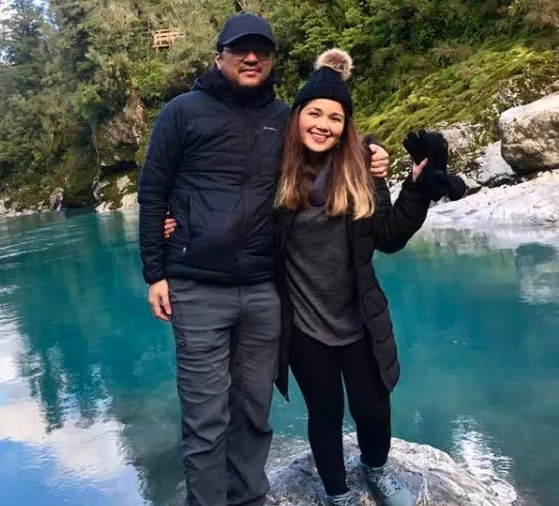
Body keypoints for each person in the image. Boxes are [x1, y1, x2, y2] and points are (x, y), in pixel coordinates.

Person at [163, 49, 468, 506]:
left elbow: (388, 236)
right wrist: (177, 220)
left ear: (347, 127)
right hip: (304, 325)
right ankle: (338, 492)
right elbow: (227, 200)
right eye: (315, 113)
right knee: (324, 413)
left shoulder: (362, 171)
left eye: (336, 117)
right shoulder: (275, 173)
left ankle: (376, 468)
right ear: (297, 117)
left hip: (360, 317)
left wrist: (418, 189)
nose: (324, 124)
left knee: (373, 407)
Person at [137, 12, 392, 506]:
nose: (251, 58)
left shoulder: (283, 118)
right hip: (195, 285)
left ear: (272, 61)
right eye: (239, 50)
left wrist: (372, 152)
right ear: (220, 56)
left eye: (262, 51)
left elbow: (328, 142)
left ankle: (251, 497)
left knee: (253, 411)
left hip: (262, 289)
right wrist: (155, 272)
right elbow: (153, 192)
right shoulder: (182, 112)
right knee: (206, 419)